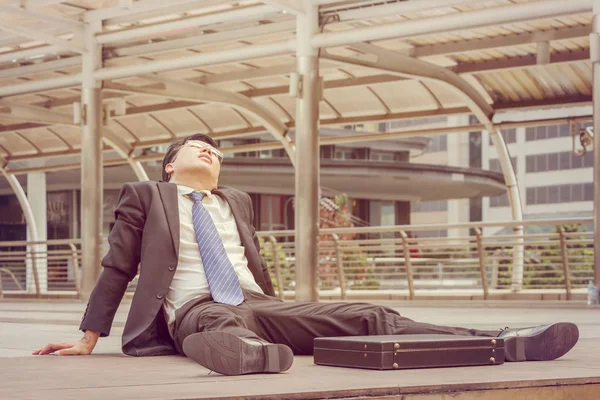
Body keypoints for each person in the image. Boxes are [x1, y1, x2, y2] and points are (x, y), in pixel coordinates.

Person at [33, 133, 579, 376]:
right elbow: (117, 266)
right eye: (197, 147)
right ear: (170, 166)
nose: (210, 152)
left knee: (369, 317)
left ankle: (502, 342)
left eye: (217, 151)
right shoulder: (148, 196)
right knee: (218, 319)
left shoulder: (237, 200)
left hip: (256, 302)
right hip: (193, 305)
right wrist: (88, 338)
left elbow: (255, 268)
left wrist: (272, 304)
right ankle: (235, 350)